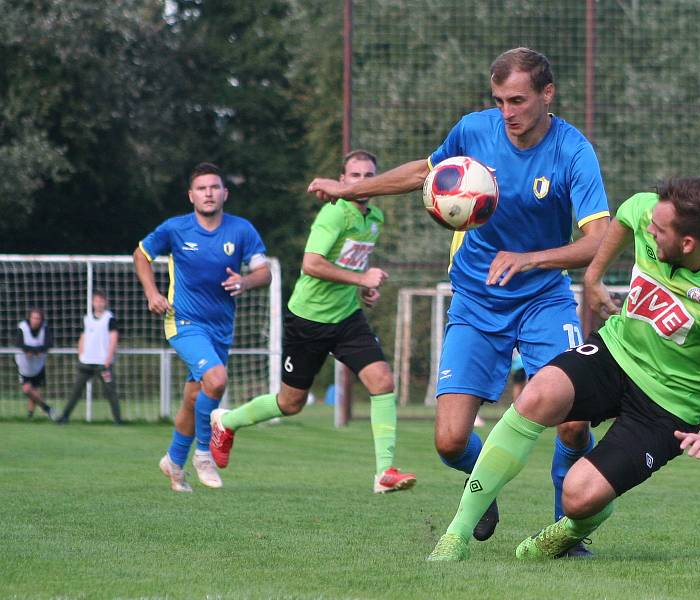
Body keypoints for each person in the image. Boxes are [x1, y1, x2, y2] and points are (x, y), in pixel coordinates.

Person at [308, 49, 609, 544]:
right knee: (448, 442)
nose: (507, 112)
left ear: (547, 94)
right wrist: (349, 190)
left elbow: (599, 238)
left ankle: (567, 533)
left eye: (518, 100)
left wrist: (531, 259)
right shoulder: (474, 130)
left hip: (544, 300)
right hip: (477, 298)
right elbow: (421, 174)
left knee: (574, 425)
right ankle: (482, 487)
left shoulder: (573, 151)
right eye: (499, 100)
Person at [427, 176, 700, 561]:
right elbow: (626, 217)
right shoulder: (649, 210)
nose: (650, 230)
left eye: (659, 231)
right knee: (539, 393)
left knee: (579, 496)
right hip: (615, 352)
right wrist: (593, 278)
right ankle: (455, 537)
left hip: (669, 405)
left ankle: (578, 523)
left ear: (687, 244)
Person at [209, 150, 417, 494]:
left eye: (370, 175)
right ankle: (226, 421)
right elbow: (312, 265)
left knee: (382, 380)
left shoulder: (374, 217)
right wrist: (362, 279)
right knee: (290, 404)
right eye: (355, 175)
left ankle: (384, 473)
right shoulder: (334, 214)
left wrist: (363, 291)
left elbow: (350, 266)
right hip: (308, 319)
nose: (363, 182)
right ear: (342, 180)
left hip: (347, 318)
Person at [133, 162, 271, 493]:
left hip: (220, 328)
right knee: (217, 379)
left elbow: (264, 273)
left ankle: (174, 462)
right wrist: (152, 293)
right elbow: (141, 254)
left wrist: (246, 281)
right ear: (191, 195)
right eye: (201, 188)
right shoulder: (175, 229)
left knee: (194, 397)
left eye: (214, 187)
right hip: (182, 321)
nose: (208, 193)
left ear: (225, 193)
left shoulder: (241, 230)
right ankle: (204, 454)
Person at [58, 290, 123, 424]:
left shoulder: (109, 318)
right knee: (76, 391)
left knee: (110, 392)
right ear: (92, 303)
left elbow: (113, 338)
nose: (98, 303)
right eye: (96, 301)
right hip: (86, 362)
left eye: (101, 301)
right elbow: (82, 337)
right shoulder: (87, 319)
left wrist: (108, 358)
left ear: (105, 302)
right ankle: (64, 417)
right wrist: (81, 354)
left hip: (103, 364)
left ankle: (118, 420)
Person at [15, 307, 55, 419]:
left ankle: (30, 416)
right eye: (34, 318)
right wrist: (29, 351)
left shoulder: (44, 328)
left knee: (35, 390)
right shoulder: (22, 327)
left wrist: (37, 351)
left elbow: (48, 344)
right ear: (30, 318)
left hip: (38, 365)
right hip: (24, 365)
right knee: (27, 389)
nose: (36, 320)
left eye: (38, 318)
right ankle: (48, 408)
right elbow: (19, 344)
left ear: (41, 319)